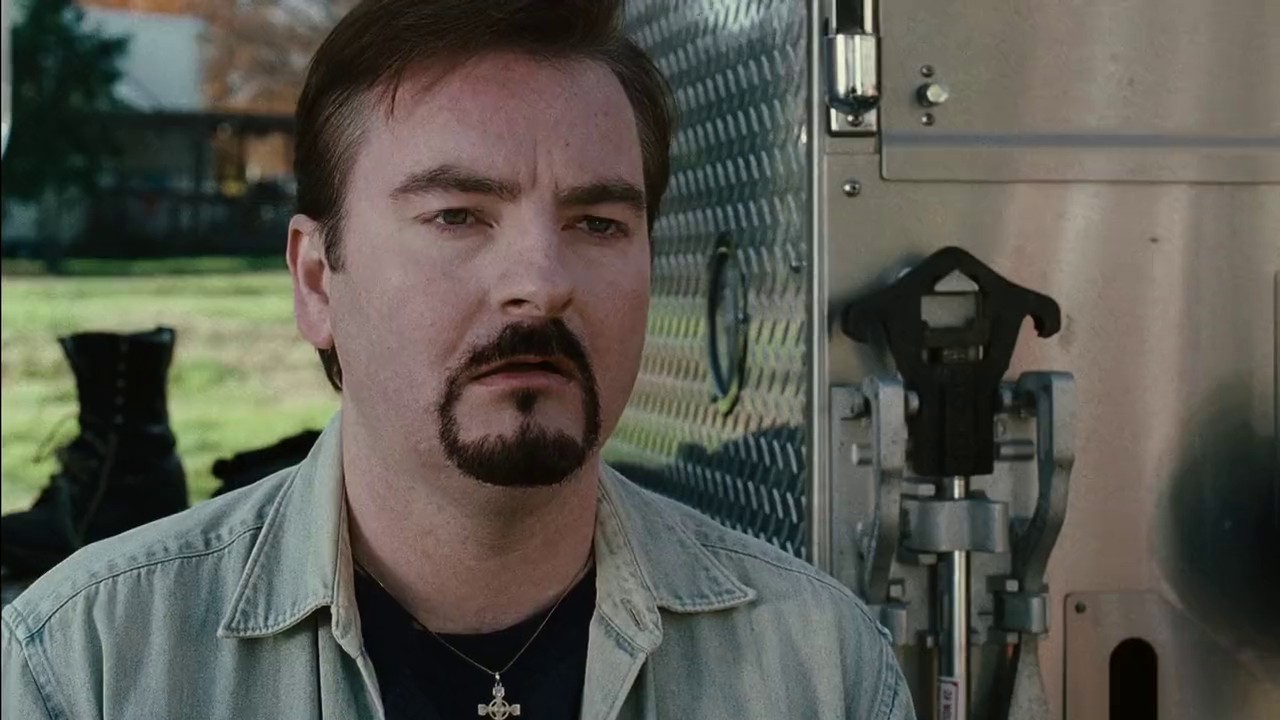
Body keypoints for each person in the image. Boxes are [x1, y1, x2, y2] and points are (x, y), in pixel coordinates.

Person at [1, 1, 915, 717]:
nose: (542, 283)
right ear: (317, 280)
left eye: (598, 223)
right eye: (457, 216)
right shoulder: (90, 668)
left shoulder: (816, 667)